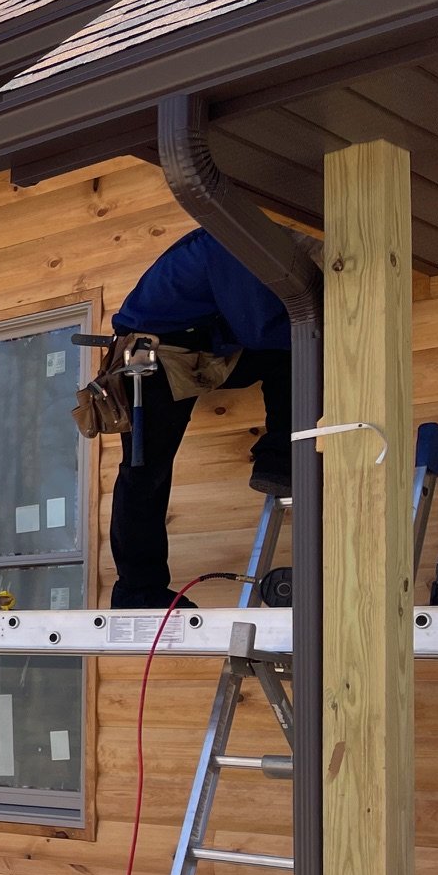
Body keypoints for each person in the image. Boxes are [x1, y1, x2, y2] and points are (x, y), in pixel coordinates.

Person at [106, 228, 294, 608]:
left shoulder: (243, 242)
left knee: (288, 359)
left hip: (196, 350)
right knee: (145, 472)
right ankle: (137, 591)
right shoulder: (230, 242)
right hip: (146, 360)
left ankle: (280, 459)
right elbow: (258, 326)